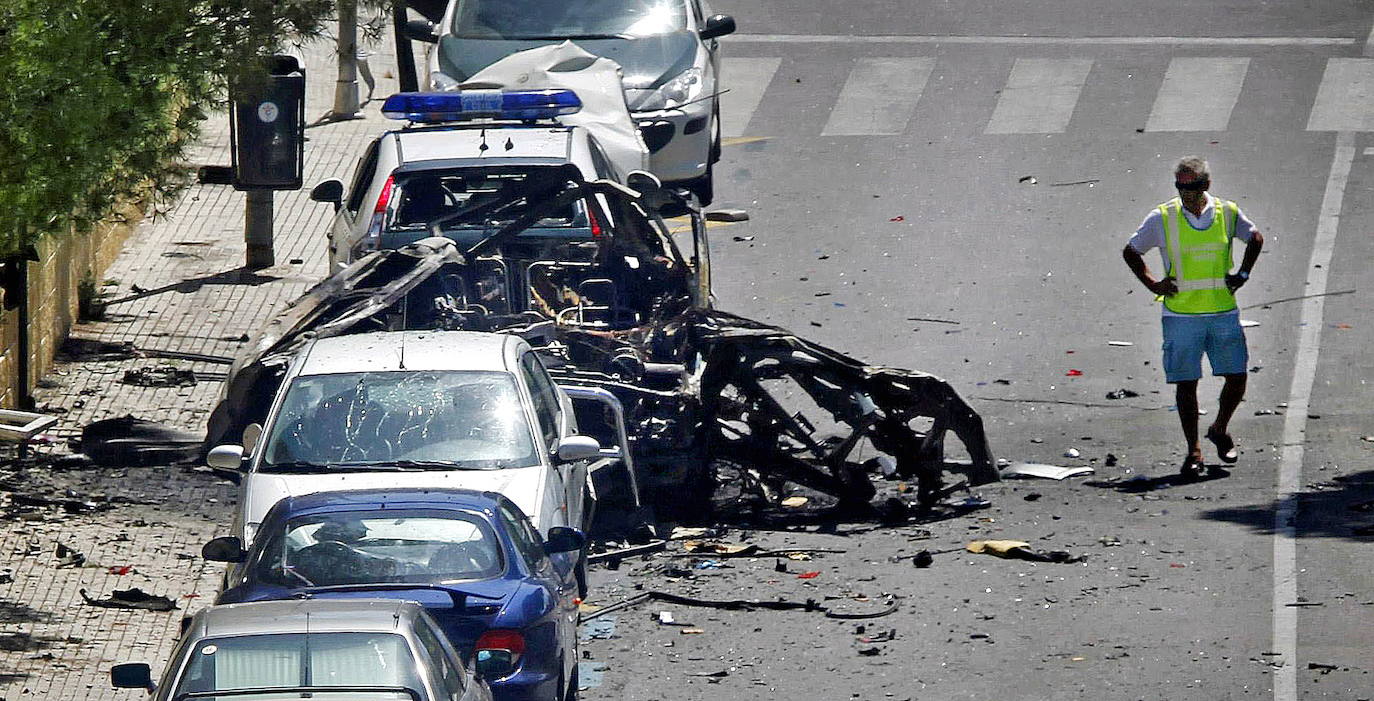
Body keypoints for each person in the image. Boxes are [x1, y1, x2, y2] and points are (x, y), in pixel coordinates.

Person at [1122, 156, 1265, 476]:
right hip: (1181, 315)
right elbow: (1132, 251)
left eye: (1194, 186)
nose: (1187, 193)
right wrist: (1153, 283)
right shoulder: (1163, 218)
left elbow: (1254, 237)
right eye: (1181, 187)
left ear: (1207, 185)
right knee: (1186, 383)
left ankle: (1219, 428)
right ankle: (1194, 451)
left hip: (1222, 312)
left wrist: (1242, 274)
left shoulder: (1226, 213)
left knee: (1237, 377)